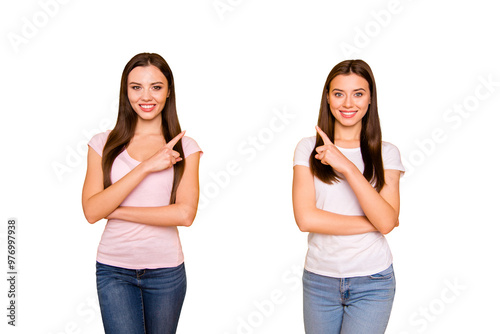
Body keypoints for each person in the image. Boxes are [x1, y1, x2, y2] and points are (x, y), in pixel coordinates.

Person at [82, 52, 202, 334]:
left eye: (156, 87)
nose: (145, 96)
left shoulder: (186, 148)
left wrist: (116, 210)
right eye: (136, 87)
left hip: (166, 272)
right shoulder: (102, 144)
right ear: (126, 92)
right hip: (114, 269)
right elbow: (91, 212)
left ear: (168, 91)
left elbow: (185, 214)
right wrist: (147, 166)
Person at [292, 59, 404, 333]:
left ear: (369, 100)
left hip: (373, 280)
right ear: (328, 98)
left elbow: (388, 222)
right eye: (338, 93)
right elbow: (306, 219)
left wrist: (347, 166)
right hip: (320, 280)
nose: (347, 103)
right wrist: (374, 222)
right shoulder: (307, 148)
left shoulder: (387, 153)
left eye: (358, 93)